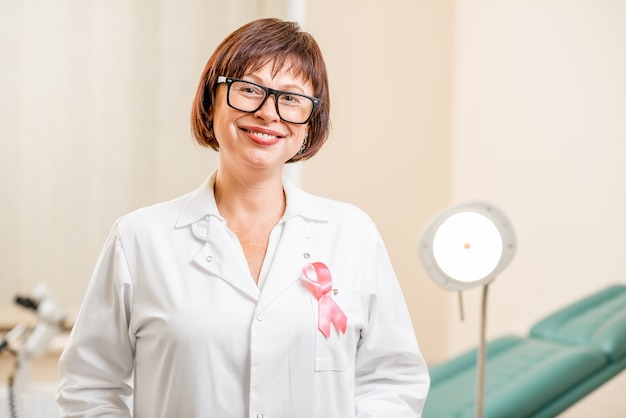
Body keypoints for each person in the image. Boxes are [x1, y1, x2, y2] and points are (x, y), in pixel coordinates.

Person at [56, 17, 430, 417]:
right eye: (249, 90)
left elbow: (391, 382)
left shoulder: (351, 234)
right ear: (210, 101)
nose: (269, 113)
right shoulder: (139, 239)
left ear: (310, 123)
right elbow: (90, 387)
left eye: (291, 98)